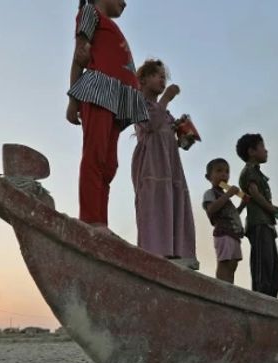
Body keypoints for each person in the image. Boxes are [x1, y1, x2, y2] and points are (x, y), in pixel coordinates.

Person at [67, 0, 147, 230]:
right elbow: (78, 57)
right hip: (100, 90)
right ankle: (90, 219)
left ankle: (101, 221)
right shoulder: (90, 12)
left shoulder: (112, 27)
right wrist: (73, 100)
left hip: (118, 99)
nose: (125, 2)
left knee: (109, 164)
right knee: (95, 155)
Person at [132, 59, 197, 268]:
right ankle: (155, 252)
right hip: (152, 166)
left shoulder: (165, 112)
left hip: (170, 168)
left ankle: (177, 253)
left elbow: (175, 140)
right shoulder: (139, 103)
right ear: (142, 79)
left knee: (173, 202)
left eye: (163, 76)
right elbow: (150, 123)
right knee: (156, 204)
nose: (162, 79)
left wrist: (183, 133)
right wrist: (167, 98)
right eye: (156, 75)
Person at [237, 134, 278, 297]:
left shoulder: (257, 173)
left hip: (266, 224)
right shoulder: (249, 171)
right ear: (251, 151)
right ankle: (260, 304)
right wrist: (273, 210)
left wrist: (274, 209)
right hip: (258, 225)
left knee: (274, 270)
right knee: (262, 269)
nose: (266, 151)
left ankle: (271, 304)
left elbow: (259, 197)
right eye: (262, 147)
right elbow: (255, 195)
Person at [202, 158, 249, 283]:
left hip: (234, 234)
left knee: (233, 265)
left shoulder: (226, 198)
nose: (224, 174)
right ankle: (221, 287)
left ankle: (229, 288)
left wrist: (242, 205)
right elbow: (211, 209)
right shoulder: (210, 193)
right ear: (208, 177)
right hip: (223, 234)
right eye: (219, 171)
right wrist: (228, 194)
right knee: (224, 263)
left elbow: (232, 215)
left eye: (227, 172)